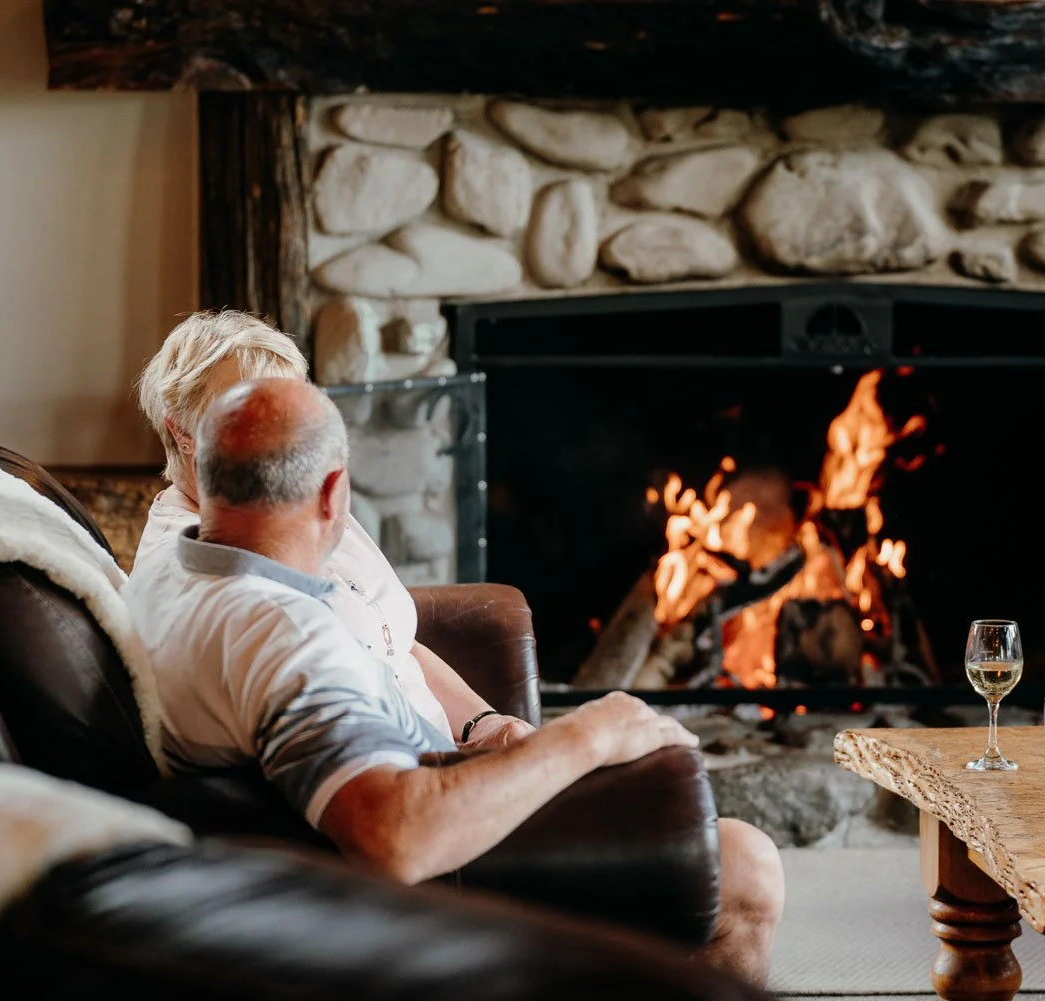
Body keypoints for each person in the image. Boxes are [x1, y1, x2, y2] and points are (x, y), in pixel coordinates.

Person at [123, 377, 785, 983]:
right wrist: (584, 736)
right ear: (332, 492)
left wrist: (488, 729)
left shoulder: (171, 566)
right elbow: (394, 838)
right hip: (434, 872)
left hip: (397, 794)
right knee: (747, 863)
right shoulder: (282, 637)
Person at [134, 310, 528, 749]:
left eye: (288, 406)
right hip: (414, 771)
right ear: (181, 431)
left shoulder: (295, 498)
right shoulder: (219, 572)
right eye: (246, 411)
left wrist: (485, 723)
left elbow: (394, 642)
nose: (285, 437)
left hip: (445, 751)